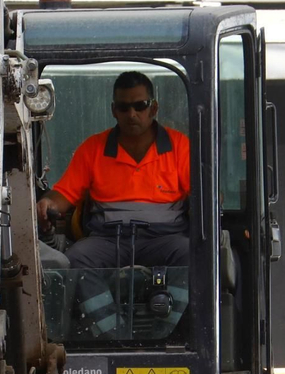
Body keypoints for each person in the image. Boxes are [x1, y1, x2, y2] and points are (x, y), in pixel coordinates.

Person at [37, 71, 191, 271]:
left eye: (139, 106)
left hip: (167, 240)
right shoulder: (93, 149)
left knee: (193, 254)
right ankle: (104, 304)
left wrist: (211, 196)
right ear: (113, 110)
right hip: (108, 240)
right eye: (123, 107)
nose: (131, 114)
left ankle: (173, 304)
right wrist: (48, 202)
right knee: (77, 259)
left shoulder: (180, 146)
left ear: (153, 108)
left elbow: (205, 195)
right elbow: (64, 194)